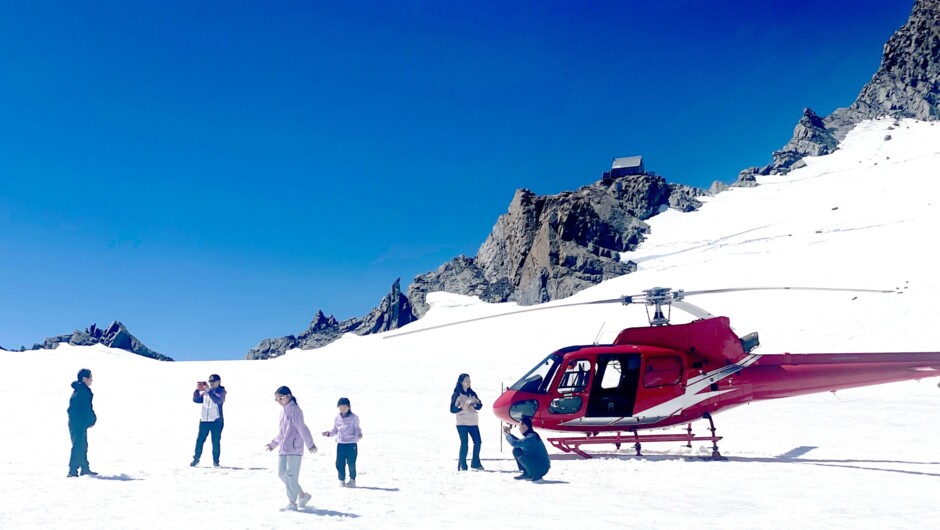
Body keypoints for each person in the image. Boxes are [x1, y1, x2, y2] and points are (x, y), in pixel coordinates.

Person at [266, 386, 317, 512]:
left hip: (294, 447)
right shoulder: (283, 411)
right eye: (276, 399)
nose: (278, 401)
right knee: (282, 474)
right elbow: (282, 432)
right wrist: (273, 444)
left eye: (280, 398)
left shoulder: (295, 409)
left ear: (288, 396)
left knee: (290, 475)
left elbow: (302, 427)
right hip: (284, 448)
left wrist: (310, 444)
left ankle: (292, 503)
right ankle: (302, 495)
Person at [321, 397, 363, 488]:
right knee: (339, 463)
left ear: (349, 407)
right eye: (340, 407)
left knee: (351, 462)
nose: (342, 409)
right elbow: (335, 430)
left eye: (344, 407)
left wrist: (359, 434)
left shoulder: (354, 418)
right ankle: (342, 479)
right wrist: (328, 433)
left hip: (351, 444)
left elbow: (357, 428)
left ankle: (352, 480)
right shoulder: (337, 418)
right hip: (341, 444)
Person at [67, 368, 98, 477]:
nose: (91, 380)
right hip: (77, 423)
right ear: (84, 378)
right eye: (90, 378)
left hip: (79, 423)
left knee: (83, 445)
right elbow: (75, 409)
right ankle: (72, 471)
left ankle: (85, 468)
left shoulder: (83, 390)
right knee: (78, 445)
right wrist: (88, 419)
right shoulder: (81, 391)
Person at [190, 374, 226, 467]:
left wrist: (209, 391)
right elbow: (196, 400)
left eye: (213, 381)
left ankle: (216, 461)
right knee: (200, 441)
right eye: (210, 381)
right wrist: (197, 390)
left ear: (219, 382)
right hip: (204, 421)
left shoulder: (221, 391)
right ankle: (196, 459)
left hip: (216, 421)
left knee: (215, 441)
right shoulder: (206, 392)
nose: (211, 383)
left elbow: (218, 400)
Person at [449, 373, 483, 471]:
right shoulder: (456, 395)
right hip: (462, 422)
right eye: (466, 380)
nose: (468, 382)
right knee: (464, 443)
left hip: (473, 421)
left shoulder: (472, 393)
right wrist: (460, 408)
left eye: (469, 380)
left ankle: (475, 462)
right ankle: (462, 464)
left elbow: (480, 405)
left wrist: (476, 405)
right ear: (461, 382)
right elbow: (452, 409)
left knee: (478, 442)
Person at [503, 416, 550, 481]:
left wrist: (506, 434)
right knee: (516, 450)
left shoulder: (531, 437)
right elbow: (518, 443)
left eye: (519, 427)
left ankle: (536, 476)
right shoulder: (531, 435)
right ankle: (527, 473)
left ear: (524, 426)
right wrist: (509, 434)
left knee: (517, 451)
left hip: (541, 468)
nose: (519, 429)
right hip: (539, 465)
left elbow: (515, 443)